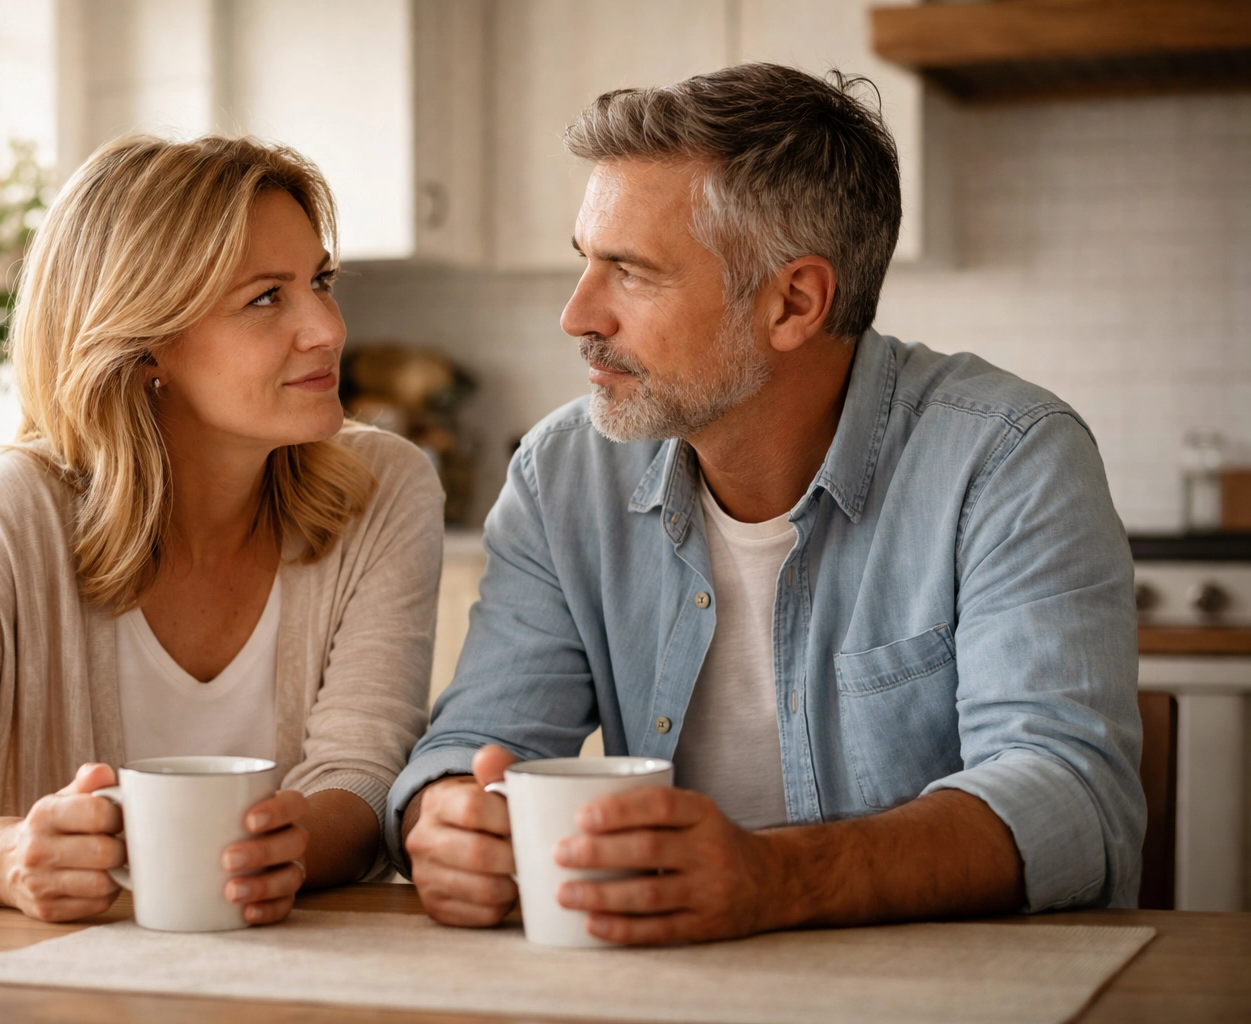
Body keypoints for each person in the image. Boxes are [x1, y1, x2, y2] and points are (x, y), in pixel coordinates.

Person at [391, 64, 1144, 944]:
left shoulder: (1008, 458)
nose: (577, 314)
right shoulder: (563, 473)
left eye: (629, 273)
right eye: (584, 262)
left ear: (794, 302)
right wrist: (445, 820)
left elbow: (1072, 802)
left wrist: (776, 878)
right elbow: (478, 739)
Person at [0, 135, 444, 925]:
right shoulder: (13, 509)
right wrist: (3, 859)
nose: (327, 328)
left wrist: (291, 847)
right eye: (267, 297)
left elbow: (362, 779)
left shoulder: (385, 490)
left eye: (320, 281)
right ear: (146, 339)